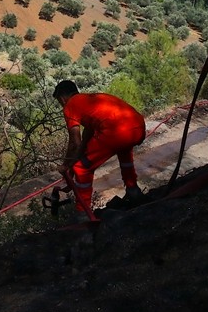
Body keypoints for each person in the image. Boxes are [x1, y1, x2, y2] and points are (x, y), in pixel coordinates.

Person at [53, 79, 147, 216]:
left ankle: (82, 213)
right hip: (138, 126)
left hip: (118, 132)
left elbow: (75, 143)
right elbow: (84, 142)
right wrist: (69, 167)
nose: (62, 105)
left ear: (62, 98)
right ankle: (134, 192)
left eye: (59, 102)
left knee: (82, 168)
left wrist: (68, 165)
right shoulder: (89, 102)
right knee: (124, 152)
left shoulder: (70, 105)